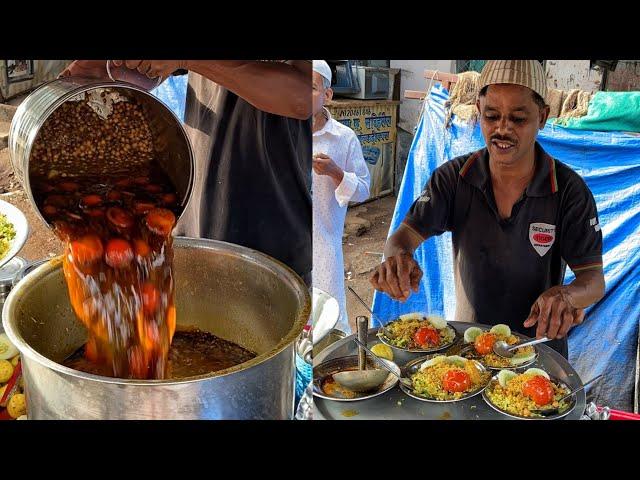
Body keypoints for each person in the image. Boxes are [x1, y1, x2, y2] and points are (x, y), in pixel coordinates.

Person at [370, 60, 605, 357]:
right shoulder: (453, 178)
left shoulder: (569, 191)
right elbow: (401, 238)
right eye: (492, 116)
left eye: (518, 119)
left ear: (542, 117)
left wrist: (568, 295)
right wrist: (397, 260)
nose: (502, 130)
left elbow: (593, 279)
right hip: (469, 350)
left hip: (537, 352)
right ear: (479, 112)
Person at [60, 60, 312, 284]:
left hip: (270, 228)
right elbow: (158, 71)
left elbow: (304, 95)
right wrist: (107, 67)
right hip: (200, 206)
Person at [312, 60, 370, 333]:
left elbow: (363, 189)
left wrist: (335, 172)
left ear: (327, 95)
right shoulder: (283, 132)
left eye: (311, 88)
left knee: (328, 323)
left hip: (324, 247)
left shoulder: (343, 138)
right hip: (285, 243)